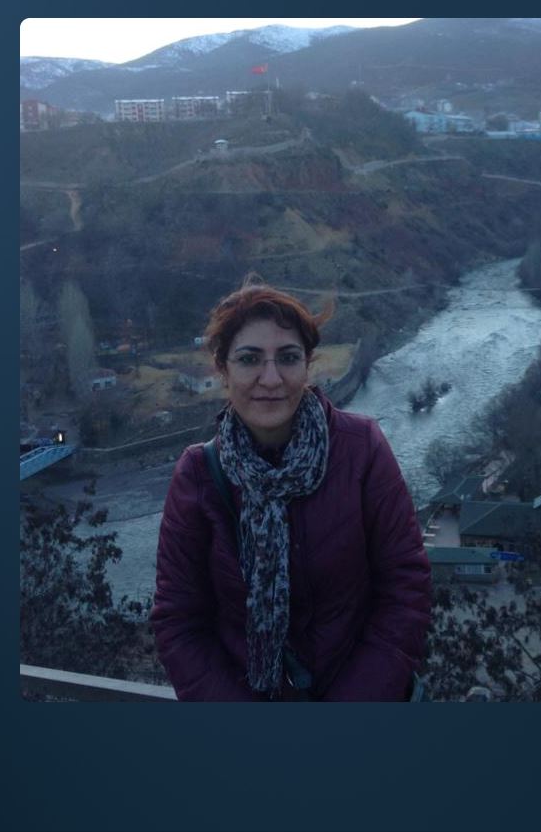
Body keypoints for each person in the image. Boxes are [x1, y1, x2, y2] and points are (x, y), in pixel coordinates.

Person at [151, 277, 431, 701]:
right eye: (249, 359)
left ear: (308, 366)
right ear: (223, 370)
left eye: (287, 357)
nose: (270, 378)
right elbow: (179, 622)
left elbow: (405, 590)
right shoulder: (198, 475)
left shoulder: (362, 449)